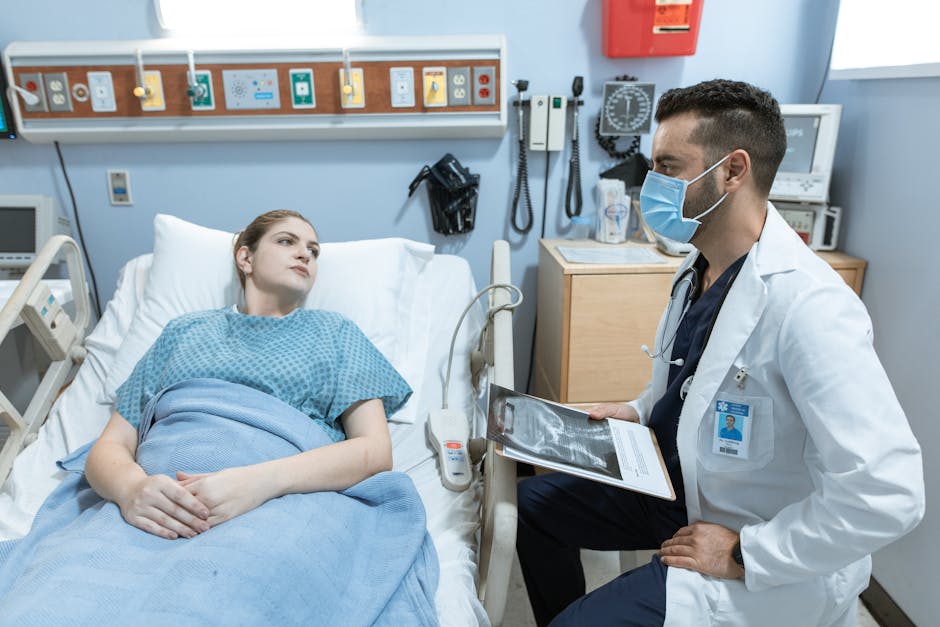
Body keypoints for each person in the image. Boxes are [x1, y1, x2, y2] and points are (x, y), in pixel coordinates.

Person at [516, 80, 925, 626]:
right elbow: (699, 378)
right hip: (674, 487)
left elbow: (889, 493)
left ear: (733, 171)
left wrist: (745, 553)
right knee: (526, 512)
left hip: (748, 537)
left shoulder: (810, 307)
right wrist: (638, 411)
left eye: (667, 166)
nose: (649, 183)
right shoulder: (699, 266)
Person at [86, 209, 411, 539]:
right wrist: (132, 490)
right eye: (287, 241)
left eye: (313, 251)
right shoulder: (184, 331)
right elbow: (111, 443)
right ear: (245, 257)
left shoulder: (335, 333)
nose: (305, 254)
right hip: (154, 509)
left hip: (280, 507)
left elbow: (375, 451)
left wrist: (259, 482)